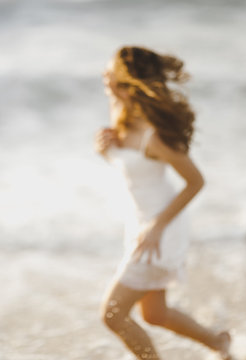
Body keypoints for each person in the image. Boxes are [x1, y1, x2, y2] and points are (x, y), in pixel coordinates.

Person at [94, 46, 232, 360]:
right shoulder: (121, 118)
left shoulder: (154, 136)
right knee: (155, 315)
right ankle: (218, 344)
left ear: (128, 84)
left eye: (110, 72)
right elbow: (130, 169)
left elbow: (195, 181)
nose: (104, 75)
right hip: (140, 225)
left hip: (160, 230)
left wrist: (157, 226)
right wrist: (104, 151)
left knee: (112, 315)